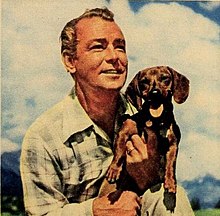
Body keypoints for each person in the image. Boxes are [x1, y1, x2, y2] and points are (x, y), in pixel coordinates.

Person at [20, 7, 194, 216]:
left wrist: (148, 175)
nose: (114, 57)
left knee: (168, 198)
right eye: (98, 47)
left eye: (120, 47)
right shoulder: (44, 137)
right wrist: (92, 210)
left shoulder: (146, 115)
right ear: (70, 61)